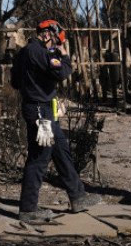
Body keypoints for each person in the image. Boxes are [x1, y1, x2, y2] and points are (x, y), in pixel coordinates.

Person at [11, 19, 102, 224]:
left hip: (41, 109)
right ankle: (28, 209)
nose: (55, 47)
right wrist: (65, 57)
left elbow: (15, 82)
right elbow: (62, 73)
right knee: (39, 157)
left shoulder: (22, 54)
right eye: (55, 42)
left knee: (61, 151)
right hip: (40, 111)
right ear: (48, 34)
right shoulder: (40, 52)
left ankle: (78, 197)